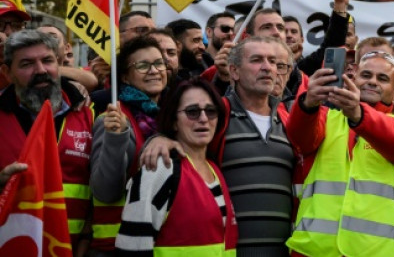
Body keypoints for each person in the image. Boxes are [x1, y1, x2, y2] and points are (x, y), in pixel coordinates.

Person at [141, 37, 297, 256]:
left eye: (273, 61)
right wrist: (160, 139)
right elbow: (184, 137)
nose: (267, 67)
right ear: (234, 71)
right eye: (256, 60)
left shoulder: (288, 118)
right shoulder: (217, 114)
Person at [285, 50, 394, 256]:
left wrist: (358, 114)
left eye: (382, 78)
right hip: (313, 250)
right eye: (366, 75)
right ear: (352, 79)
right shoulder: (324, 116)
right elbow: (299, 138)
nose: (372, 82)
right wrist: (309, 101)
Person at [114, 79, 238, 255]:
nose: (203, 119)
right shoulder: (160, 169)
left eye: (211, 111)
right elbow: (132, 246)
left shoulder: (214, 169)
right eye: (192, 112)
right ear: (173, 121)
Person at [0, 30, 95, 250]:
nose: (41, 70)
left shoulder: (90, 113)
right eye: (26, 64)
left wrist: (87, 238)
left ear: (60, 64)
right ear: (7, 72)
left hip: (71, 248)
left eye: (47, 60)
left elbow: (99, 190)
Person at [90, 37, 168, 254]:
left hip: (159, 242)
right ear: (125, 76)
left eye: (159, 63)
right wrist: (117, 138)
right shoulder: (111, 119)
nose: (154, 71)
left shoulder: (173, 118)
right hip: (117, 246)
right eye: (142, 65)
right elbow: (105, 192)